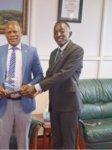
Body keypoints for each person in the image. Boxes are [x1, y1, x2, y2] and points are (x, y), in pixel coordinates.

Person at [22, 21, 84, 149]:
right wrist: (35, 91)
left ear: (70, 33)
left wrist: (36, 87)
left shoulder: (77, 50)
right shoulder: (53, 53)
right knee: (57, 142)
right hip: (55, 105)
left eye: (62, 31)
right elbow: (49, 76)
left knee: (68, 144)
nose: (58, 35)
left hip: (69, 105)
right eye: (55, 33)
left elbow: (62, 75)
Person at [0, 21, 43, 149]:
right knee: (3, 142)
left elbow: (39, 75)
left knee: (23, 142)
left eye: (15, 31)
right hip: (3, 103)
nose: (12, 35)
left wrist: (29, 85)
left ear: (21, 32)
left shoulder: (32, 51)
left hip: (24, 103)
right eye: (9, 32)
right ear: (5, 34)